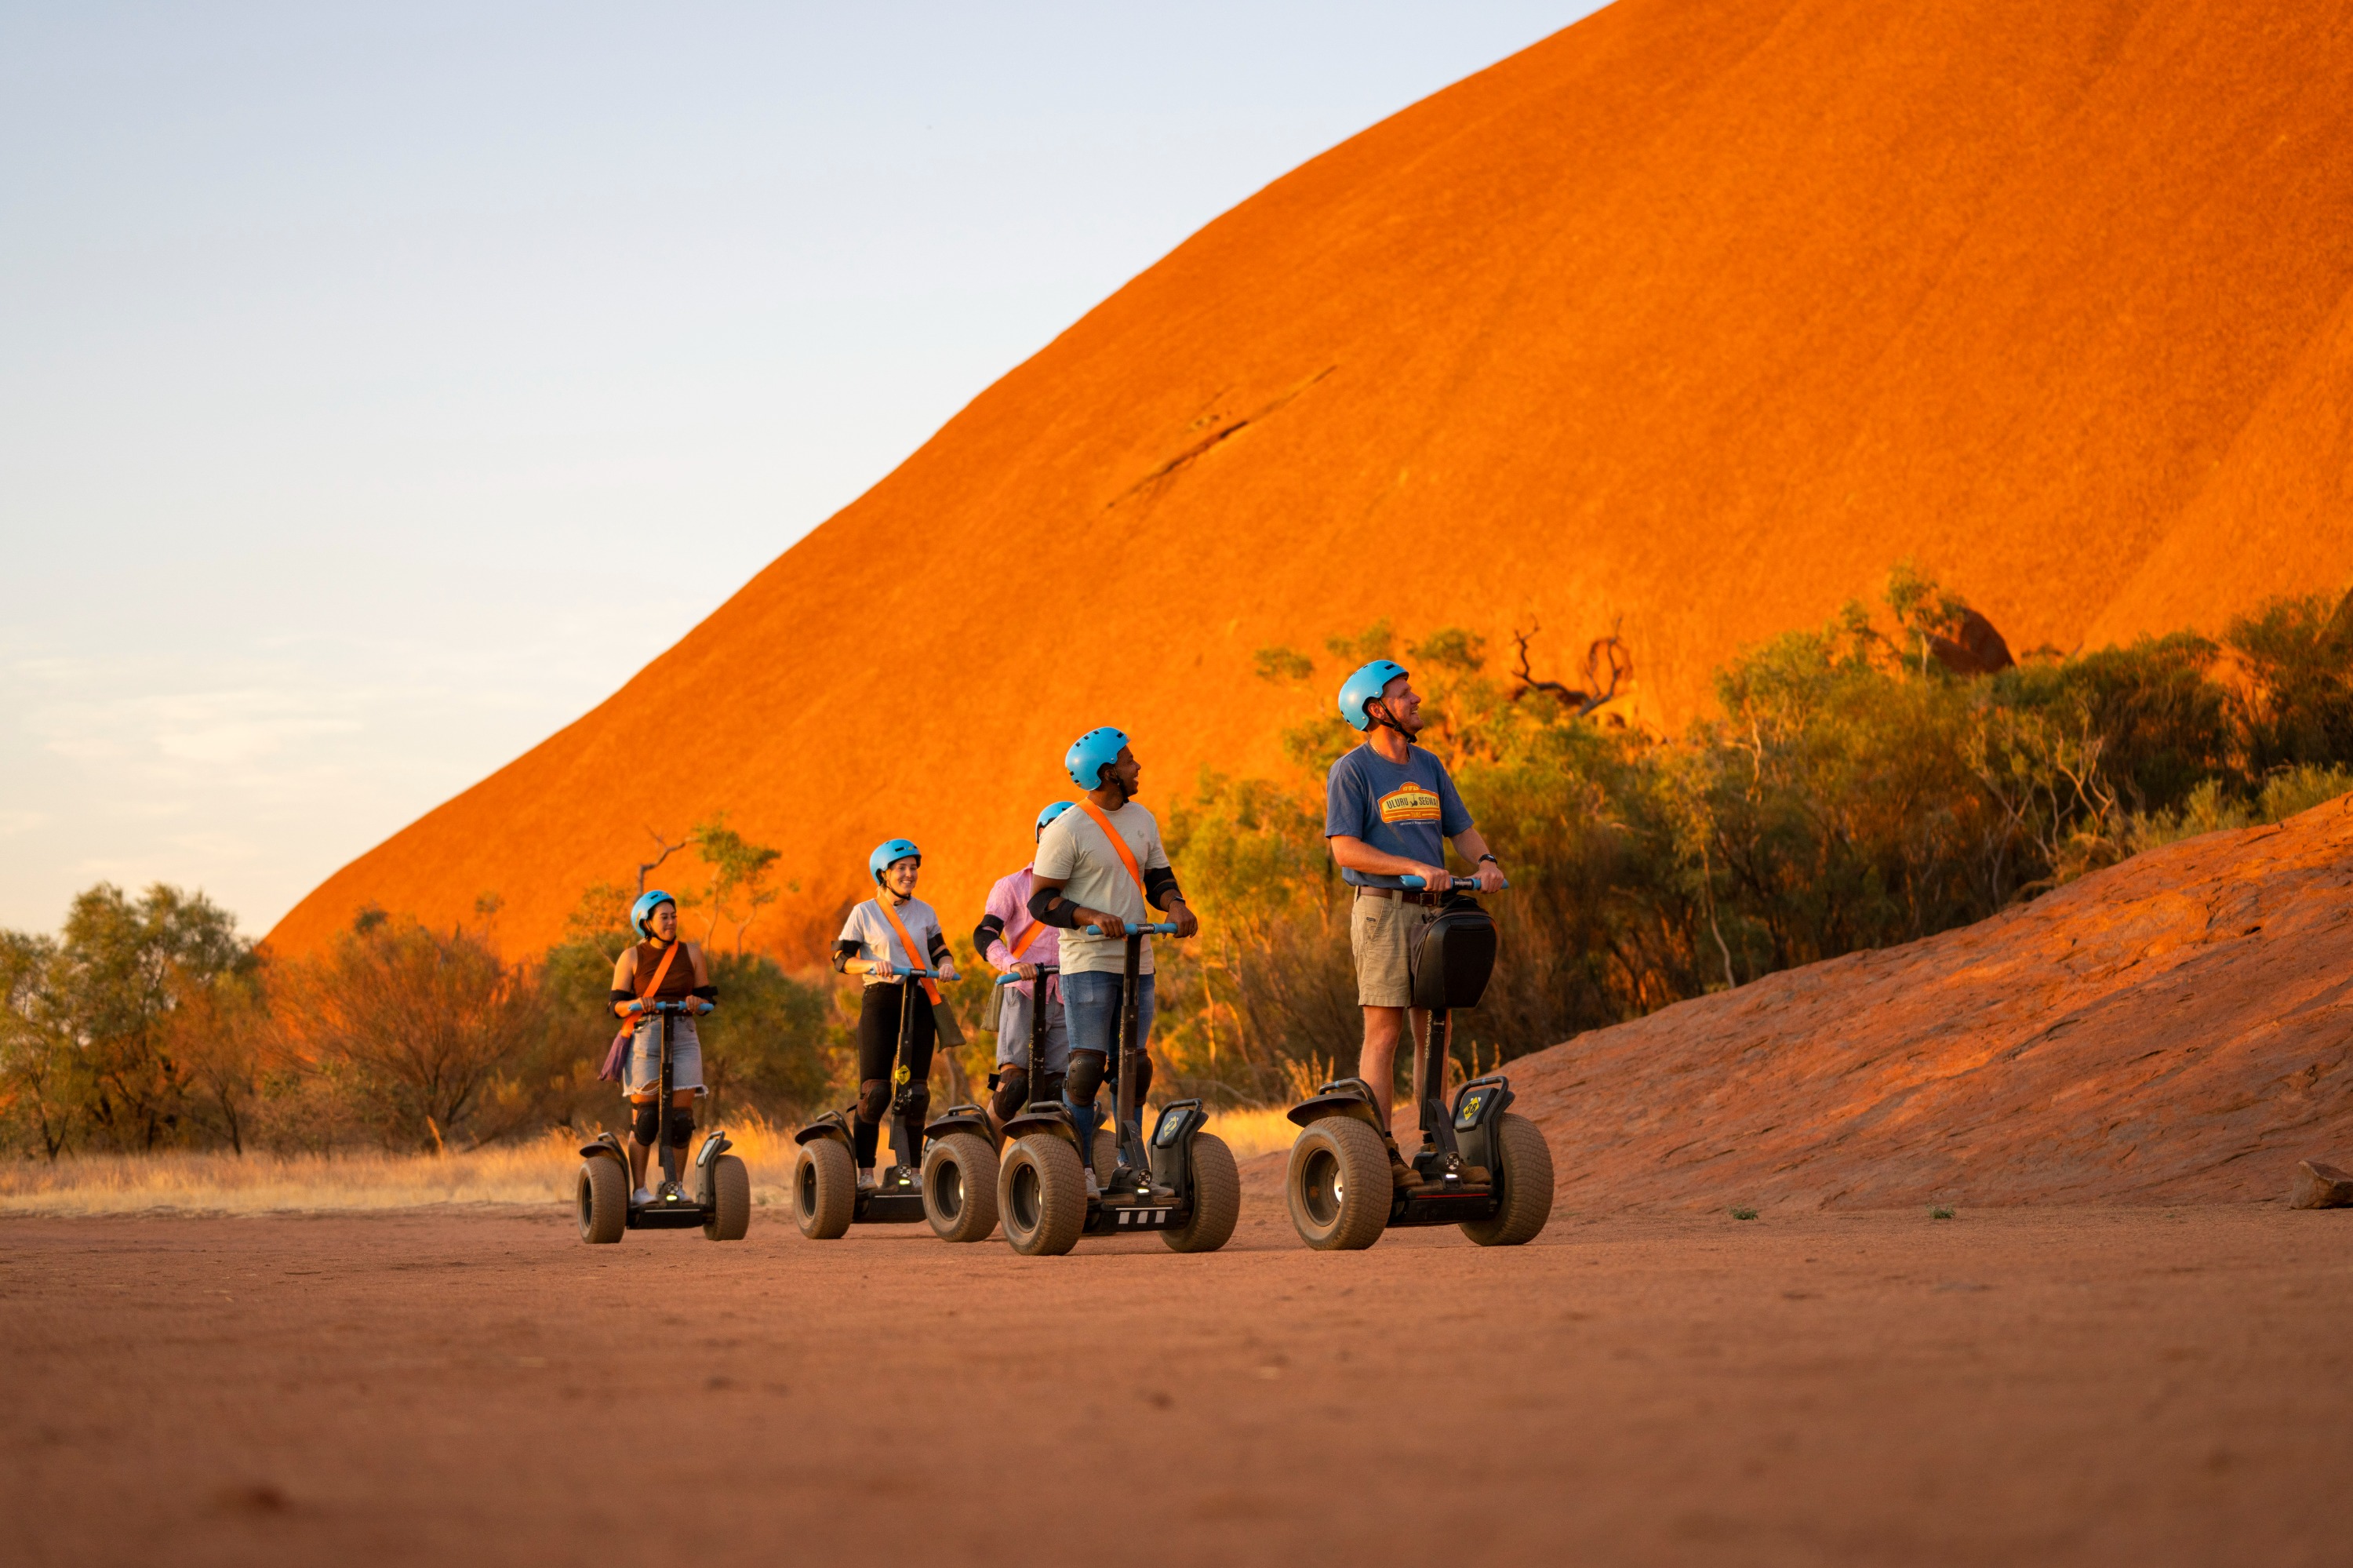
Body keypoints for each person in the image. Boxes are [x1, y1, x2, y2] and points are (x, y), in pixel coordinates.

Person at [1325, 659, 1506, 1148]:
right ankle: (1379, 1150)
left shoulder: (1429, 765)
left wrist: (1486, 861)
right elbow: (1344, 848)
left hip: (1437, 913)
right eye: (1404, 694)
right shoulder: (1351, 770)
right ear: (1376, 709)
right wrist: (1416, 866)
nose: (1416, 699)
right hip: (1382, 911)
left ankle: (1434, 1143)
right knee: (1384, 1033)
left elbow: (1461, 829)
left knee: (1438, 1030)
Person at [1027, 727, 1198, 1191]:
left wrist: (1176, 905)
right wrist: (1089, 915)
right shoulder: (1067, 830)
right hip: (1087, 964)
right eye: (1128, 761)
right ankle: (1079, 1169)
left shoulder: (1142, 817)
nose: (1137, 765)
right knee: (1086, 1066)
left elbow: (1158, 877)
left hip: (1138, 959)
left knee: (1134, 1066)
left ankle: (1128, 1164)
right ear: (1107, 774)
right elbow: (1040, 902)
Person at [832, 838, 960, 1189]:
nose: (909, 874)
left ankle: (912, 1173)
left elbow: (940, 951)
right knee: (875, 1093)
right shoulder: (864, 912)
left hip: (919, 999)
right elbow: (841, 960)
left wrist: (946, 965)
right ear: (884, 874)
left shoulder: (926, 912)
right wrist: (872, 964)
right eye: (901, 869)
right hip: (881, 999)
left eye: (913, 868)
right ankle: (865, 1174)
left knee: (916, 1093)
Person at [609, 890, 717, 1203]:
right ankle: (640, 1190)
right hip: (645, 1035)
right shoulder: (631, 957)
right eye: (664, 918)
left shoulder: (692, 953)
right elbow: (615, 1005)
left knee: (682, 1120)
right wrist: (634, 1003)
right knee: (645, 1119)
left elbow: (708, 999)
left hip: (683, 1035)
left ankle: (675, 1187)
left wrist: (699, 1002)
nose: (671, 922)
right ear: (647, 923)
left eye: (674, 916)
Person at [974, 802, 1075, 1134]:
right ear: (1041, 835)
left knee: (1056, 1089)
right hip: (1024, 991)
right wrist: (1013, 964)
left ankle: (1041, 1166)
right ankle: (985, 1164)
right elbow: (984, 933)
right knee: (1014, 1085)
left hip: (1066, 994)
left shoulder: (1085, 888)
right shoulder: (1012, 885)